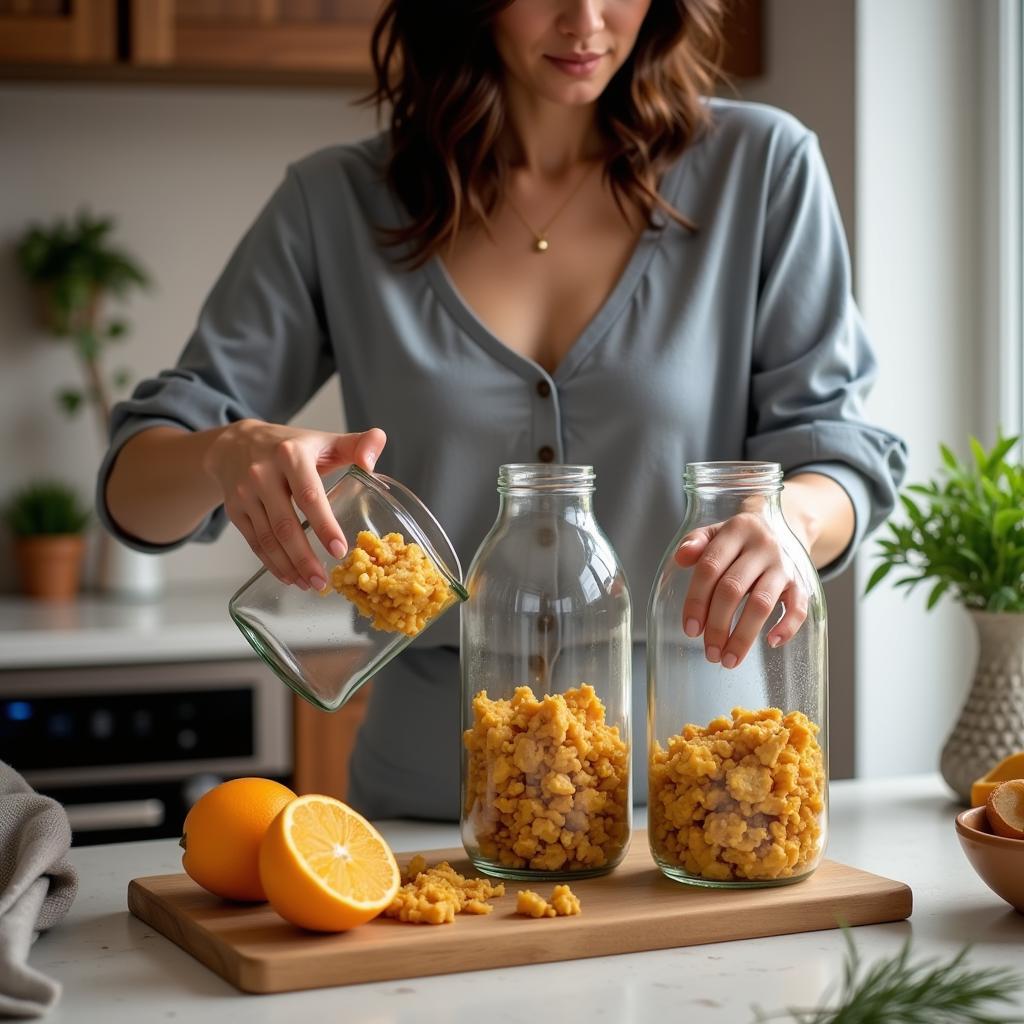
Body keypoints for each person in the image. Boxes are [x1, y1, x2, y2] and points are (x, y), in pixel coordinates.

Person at [98, 0, 906, 820]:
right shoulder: (334, 203)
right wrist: (223, 452)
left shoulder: (762, 168)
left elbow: (841, 451)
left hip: (699, 807)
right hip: (429, 811)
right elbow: (136, 488)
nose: (585, 19)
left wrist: (789, 521)